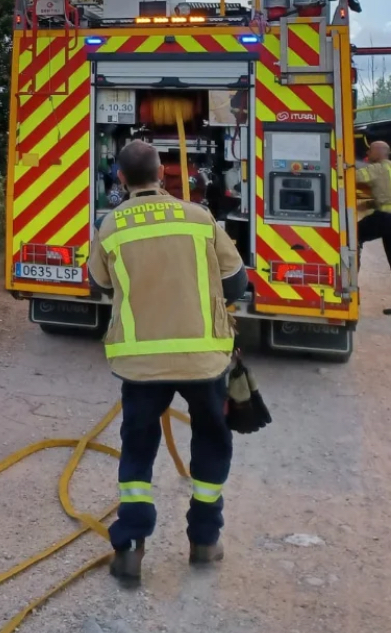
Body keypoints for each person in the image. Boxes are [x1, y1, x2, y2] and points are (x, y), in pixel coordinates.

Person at [88, 140, 248, 587]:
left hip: (142, 368)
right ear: (163, 173)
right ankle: (203, 542)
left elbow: (98, 284)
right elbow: (236, 285)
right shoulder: (200, 219)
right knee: (212, 445)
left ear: (120, 179)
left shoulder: (110, 225)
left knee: (137, 451)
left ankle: (130, 549)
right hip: (204, 363)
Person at [355, 142, 391, 308]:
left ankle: (351, 284)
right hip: (385, 216)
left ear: (378, 152)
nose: (368, 152)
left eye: (370, 150)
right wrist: (369, 205)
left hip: (384, 218)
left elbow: (354, 175)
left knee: (353, 235)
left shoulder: (377, 169)